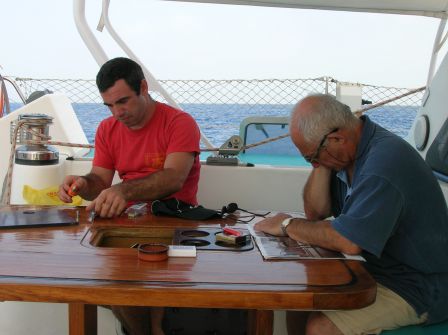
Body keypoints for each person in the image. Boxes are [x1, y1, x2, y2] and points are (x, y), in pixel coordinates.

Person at [254, 94, 448, 335]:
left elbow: (350, 241)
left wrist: (286, 224)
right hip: (376, 271)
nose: (314, 164)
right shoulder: (345, 155)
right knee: (298, 299)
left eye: (312, 157)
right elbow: (316, 212)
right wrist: (323, 162)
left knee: (320, 328)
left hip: (419, 288)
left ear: (337, 138)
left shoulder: (385, 163)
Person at [58, 57, 201, 335]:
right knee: (90, 278)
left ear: (144, 87)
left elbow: (175, 177)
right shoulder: (107, 129)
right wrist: (80, 184)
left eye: (122, 101)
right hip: (125, 227)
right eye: (109, 105)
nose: (117, 113)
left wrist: (123, 190)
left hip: (174, 224)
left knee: (117, 285)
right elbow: (99, 180)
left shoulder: (179, 123)